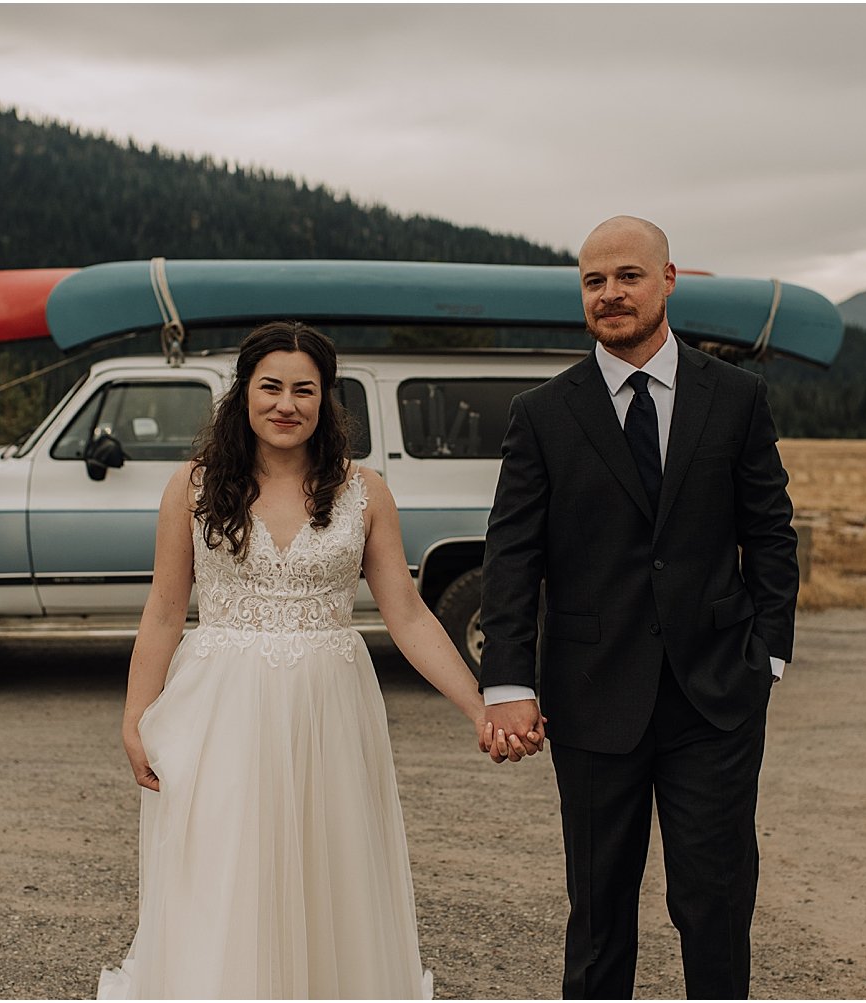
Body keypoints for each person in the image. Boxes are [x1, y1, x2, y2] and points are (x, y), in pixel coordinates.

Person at [98, 320, 490, 999]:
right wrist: (136, 717)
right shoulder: (192, 488)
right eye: (270, 386)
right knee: (222, 868)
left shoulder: (363, 491)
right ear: (243, 394)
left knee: (329, 868)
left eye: (304, 389)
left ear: (325, 399)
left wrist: (481, 706)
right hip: (218, 708)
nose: (287, 403)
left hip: (329, 707)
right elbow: (163, 611)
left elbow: (407, 613)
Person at [478, 216, 799, 999]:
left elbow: (771, 532)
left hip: (715, 698)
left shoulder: (737, 399)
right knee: (598, 910)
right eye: (594, 281)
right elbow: (512, 555)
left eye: (627, 276)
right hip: (591, 699)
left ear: (668, 280)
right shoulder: (543, 414)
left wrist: (769, 656)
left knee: (715, 902)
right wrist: (507, 679)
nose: (610, 294)